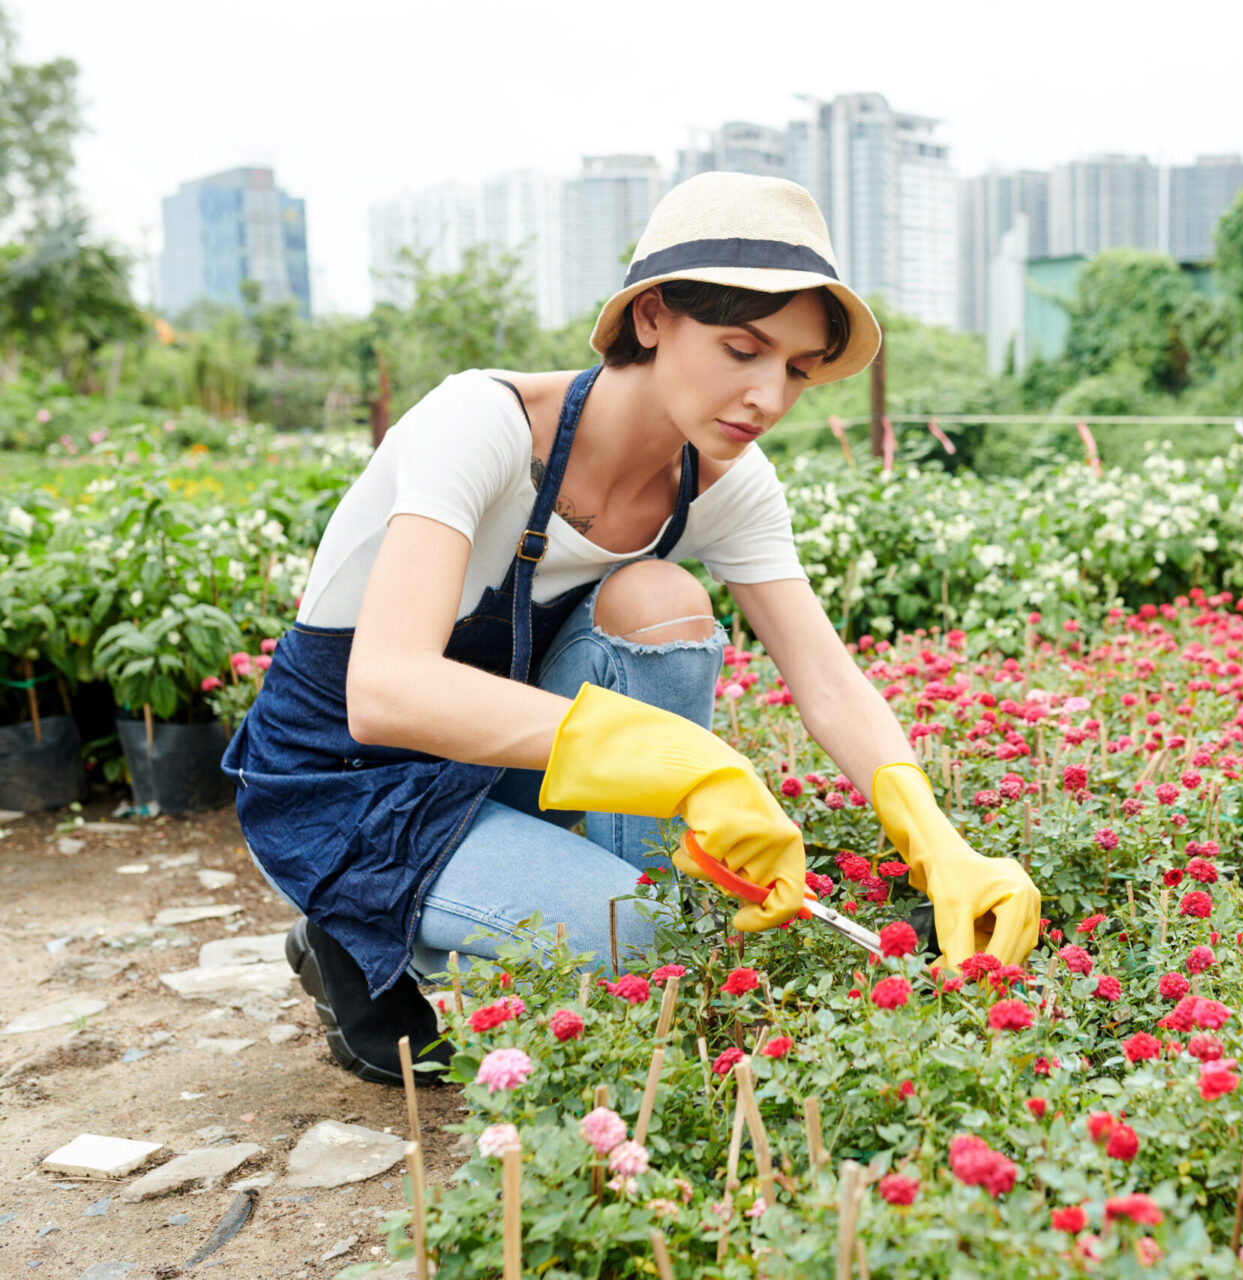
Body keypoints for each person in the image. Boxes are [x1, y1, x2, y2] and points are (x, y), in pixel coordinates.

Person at [221, 173, 1042, 1085]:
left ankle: (606, 921)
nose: (768, 396)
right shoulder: (482, 424)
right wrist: (686, 762)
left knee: (659, 600)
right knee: (654, 951)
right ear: (651, 317)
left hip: (503, 763)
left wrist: (940, 845)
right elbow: (385, 693)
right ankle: (362, 932)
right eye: (742, 348)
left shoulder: (728, 482)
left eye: (797, 370)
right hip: (348, 782)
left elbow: (826, 677)